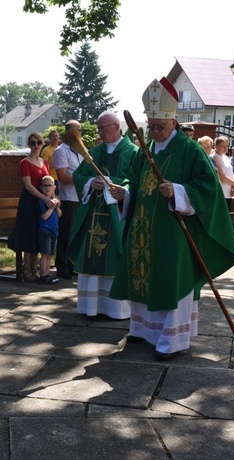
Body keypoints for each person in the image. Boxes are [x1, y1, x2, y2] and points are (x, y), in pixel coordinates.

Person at [108, 77, 234, 361]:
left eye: (161, 127)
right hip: (143, 228)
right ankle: (143, 331)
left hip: (174, 233)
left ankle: (172, 340)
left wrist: (179, 191)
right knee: (142, 277)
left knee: (172, 278)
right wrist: (125, 193)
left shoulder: (189, 149)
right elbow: (136, 182)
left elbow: (209, 188)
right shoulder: (146, 151)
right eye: (151, 126)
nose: (155, 132)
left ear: (174, 122)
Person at [68, 111, 137, 319]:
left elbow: (135, 181)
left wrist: (114, 185)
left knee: (115, 257)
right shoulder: (94, 152)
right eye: (98, 128)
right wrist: (91, 183)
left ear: (116, 127)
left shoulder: (132, 153)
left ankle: (116, 309)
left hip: (117, 216)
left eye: (103, 128)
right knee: (91, 257)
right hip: (94, 215)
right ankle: (90, 307)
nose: (100, 132)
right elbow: (79, 176)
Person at [7, 132, 54, 281]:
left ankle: (35, 268)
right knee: (29, 234)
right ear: (28, 145)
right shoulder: (25, 163)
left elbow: (48, 182)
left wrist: (51, 198)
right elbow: (28, 185)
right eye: (32, 143)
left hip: (41, 202)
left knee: (38, 234)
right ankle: (27, 269)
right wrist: (45, 198)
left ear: (42, 144)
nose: (35, 146)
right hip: (29, 202)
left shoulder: (44, 162)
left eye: (38, 143)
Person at [53, 120, 84, 279]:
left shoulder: (80, 150)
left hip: (80, 197)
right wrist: (82, 179)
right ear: (71, 132)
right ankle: (62, 266)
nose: (81, 134)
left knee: (75, 234)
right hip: (68, 198)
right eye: (79, 131)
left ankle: (73, 264)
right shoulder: (61, 151)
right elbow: (63, 176)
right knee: (66, 234)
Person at [37, 175, 62, 284]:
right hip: (45, 230)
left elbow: (60, 214)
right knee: (45, 253)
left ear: (54, 187)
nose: (47, 188)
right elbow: (44, 216)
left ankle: (47, 273)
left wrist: (57, 206)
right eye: (44, 186)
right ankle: (43, 275)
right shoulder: (42, 201)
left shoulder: (54, 200)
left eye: (49, 186)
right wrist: (52, 206)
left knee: (50, 254)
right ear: (41, 188)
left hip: (54, 230)